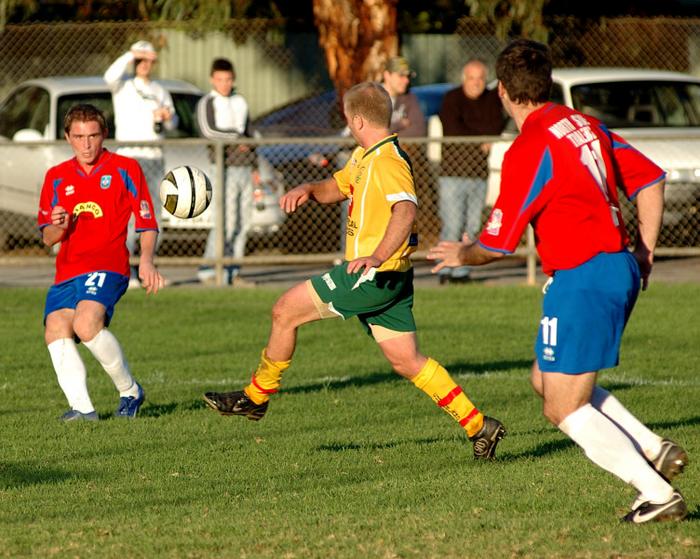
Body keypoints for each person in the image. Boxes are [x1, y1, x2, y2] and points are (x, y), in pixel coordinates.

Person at [428, 39, 688, 522]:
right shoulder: (584, 124)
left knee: (561, 407)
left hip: (582, 276)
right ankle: (654, 449)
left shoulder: (530, 146)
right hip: (616, 269)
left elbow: (497, 244)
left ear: (502, 91)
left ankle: (655, 491)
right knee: (543, 378)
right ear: (546, 84)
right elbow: (651, 178)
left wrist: (460, 252)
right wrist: (645, 253)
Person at [203, 82, 506, 459]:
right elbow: (338, 186)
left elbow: (406, 210)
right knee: (407, 361)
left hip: (371, 275)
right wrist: (311, 189)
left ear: (358, 120)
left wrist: (376, 256)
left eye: (347, 119)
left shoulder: (388, 162)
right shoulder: (367, 156)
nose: (347, 124)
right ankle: (479, 425)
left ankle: (256, 397)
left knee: (284, 312)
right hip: (388, 278)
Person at [38, 104, 166, 421]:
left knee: (85, 323)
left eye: (93, 135)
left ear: (104, 134)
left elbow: (147, 222)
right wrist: (60, 224)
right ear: (67, 137)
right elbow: (48, 238)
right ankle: (83, 409)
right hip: (68, 271)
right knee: (55, 328)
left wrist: (146, 262)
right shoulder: (56, 177)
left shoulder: (125, 168)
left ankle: (130, 392)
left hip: (108, 266)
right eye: (79, 136)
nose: (86, 144)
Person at [104, 40, 177, 288]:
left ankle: (147, 270)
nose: (145, 65)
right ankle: (125, 272)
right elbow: (109, 76)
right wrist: (130, 54)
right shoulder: (123, 86)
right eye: (140, 61)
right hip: (130, 158)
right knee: (129, 217)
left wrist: (167, 118)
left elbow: (173, 123)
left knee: (153, 216)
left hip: (155, 156)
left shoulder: (159, 89)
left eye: (148, 61)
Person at [436, 59, 505, 284]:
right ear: (464, 78)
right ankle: (445, 268)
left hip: (478, 173)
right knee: (453, 225)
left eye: (481, 78)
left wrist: (480, 137)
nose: (476, 83)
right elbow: (455, 130)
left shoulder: (491, 100)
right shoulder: (452, 99)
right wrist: (480, 139)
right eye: (472, 78)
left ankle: (462, 271)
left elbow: (496, 125)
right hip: (453, 174)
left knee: (473, 226)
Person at [196, 57, 255, 287]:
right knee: (226, 222)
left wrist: (255, 163)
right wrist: (236, 138)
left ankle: (233, 271)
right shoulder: (207, 102)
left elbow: (250, 134)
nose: (224, 84)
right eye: (220, 79)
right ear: (212, 79)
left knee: (244, 223)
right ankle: (209, 269)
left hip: (245, 167)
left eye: (228, 79)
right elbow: (209, 131)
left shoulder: (240, 101)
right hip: (224, 167)